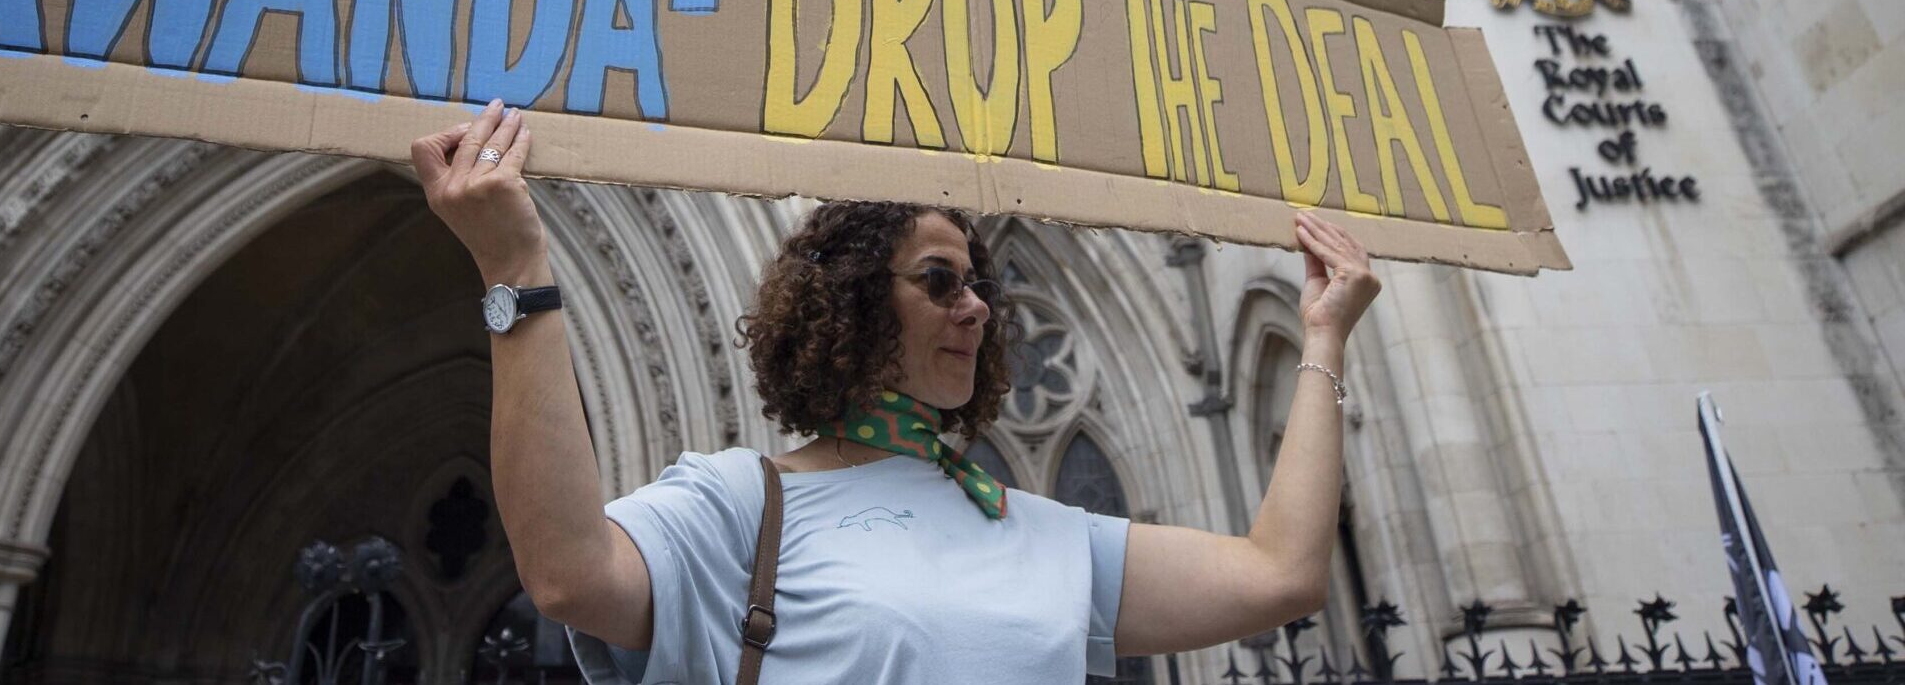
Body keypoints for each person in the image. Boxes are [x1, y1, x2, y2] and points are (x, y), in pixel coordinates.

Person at [410, 97, 1383, 684]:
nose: (974, 308)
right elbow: (570, 574)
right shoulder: (740, 505)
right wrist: (516, 269)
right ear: (847, 303)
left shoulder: (1037, 531)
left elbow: (1282, 573)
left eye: (979, 285)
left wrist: (1324, 335)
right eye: (939, 280)